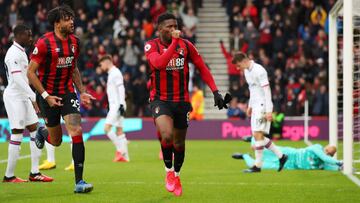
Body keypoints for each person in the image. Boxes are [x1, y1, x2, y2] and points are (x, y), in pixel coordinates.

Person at [144, 13, 230, 196]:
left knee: (179, 143)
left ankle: (177, 174)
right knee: (166, 135)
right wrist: (174, 43)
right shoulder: (151, 45)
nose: (173, 29)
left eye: (175, 25)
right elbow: (159, 64)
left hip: (182, 101)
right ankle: (168, 172)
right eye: (168, 26)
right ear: (159, 28)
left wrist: (215, 91)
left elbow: (202, 66)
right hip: (161, 100)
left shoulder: (186, 45)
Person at [27, 5, 94, 193]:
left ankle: (79, 182)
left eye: (72, 18)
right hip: (47, 95)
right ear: (57, 23)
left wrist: (82, 91)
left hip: (67, 93)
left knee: (76, 130)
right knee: (56, 141)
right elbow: (30, 73)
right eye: (67, 18)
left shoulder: (75, 42)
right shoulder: (43, 43)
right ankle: (42, 132)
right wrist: (46, 96)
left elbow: (73, 68)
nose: (71, 21)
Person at [2, 24, 53, 183]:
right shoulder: (12, 54)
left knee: (35, 130)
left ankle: (34, 172)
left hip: (24, 96)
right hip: (15, 97)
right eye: (28, 35)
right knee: (17, 132)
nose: (31, 38)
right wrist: (33, 97)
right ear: (18, 36)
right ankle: (9, 176)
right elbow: (17, 80)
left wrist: (30, 96)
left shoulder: (21, 52)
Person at [232, 52, 287, 173]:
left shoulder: (259, 70)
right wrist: (250, 105)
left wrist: (268, 111)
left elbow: (267, 91)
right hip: (256, 106)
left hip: (263, 106)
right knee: (258, 136)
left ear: (243, 61)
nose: (237, 68)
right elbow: (252, 89)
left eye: (238, 65)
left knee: (257, 135)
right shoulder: (247, 71)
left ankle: (258, 165)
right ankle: (281, 156)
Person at [233, 139, 342, 171]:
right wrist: (339, 162)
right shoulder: (317, 147)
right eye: (328, 150)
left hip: (288, 166)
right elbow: (324, 157)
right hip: (288, 153)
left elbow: (334, 168)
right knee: (260, 148)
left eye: (330, 154)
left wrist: (341, 167)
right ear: (325, 147)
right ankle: (252, 139)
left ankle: (244, 156)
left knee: (258, 166)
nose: (327, 153)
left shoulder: (322, 165)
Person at [98, 55, 130, 162]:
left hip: (117, 105)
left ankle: (121, 150)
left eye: (101, 64)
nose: (101, 67)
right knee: (119, 130)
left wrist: (120, 104)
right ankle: (126, 157)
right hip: (115, 105)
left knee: (106, 129)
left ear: (107, 62)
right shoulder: (112, 73)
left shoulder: (115, 73)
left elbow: (121, 88)